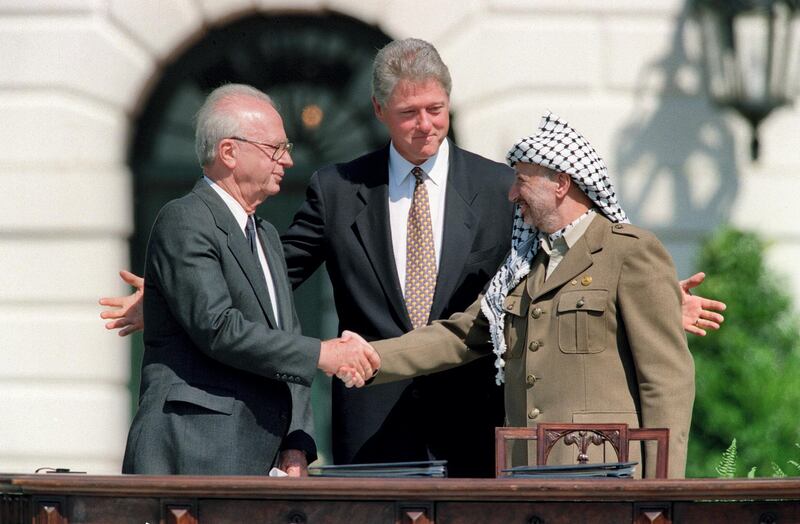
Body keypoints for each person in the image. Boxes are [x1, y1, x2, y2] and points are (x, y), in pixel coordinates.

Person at [101, 40, 724, 477]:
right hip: (374, 428)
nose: (425, 125)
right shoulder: (339, 187)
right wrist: (169, 297)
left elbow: (567, 274)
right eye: (408, 113)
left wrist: (663, 303)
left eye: (436, 109)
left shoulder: (494, 184)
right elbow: (267, 277)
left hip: (484, 429)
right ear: (380, 113)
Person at [343, 113, 697, 478]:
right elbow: (461, 334)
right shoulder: (522, 266)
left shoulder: (629, 252)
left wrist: (662, 491)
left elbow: (666, 380)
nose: (512, 195)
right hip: (525, 474)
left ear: (561, 183)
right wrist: (371, 357)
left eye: (521, 182)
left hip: (605, 476)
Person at [122, 84, 379, 476]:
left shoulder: (267, 236)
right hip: (194, 454)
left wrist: (297, 442)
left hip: (262, 462)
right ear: (229, 152)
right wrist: (323, 354)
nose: (288, 160)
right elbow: (219, 327)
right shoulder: (185, 219)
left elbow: (285, 336)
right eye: (275, 148)